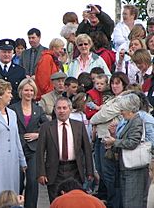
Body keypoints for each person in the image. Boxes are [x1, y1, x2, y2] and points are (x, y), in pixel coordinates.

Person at [36, 96, 93, 203]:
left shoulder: (79, 126)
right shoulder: (46, 127)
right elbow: (40, 151)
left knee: (75, 202)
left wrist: (90, 171)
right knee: (56, 201)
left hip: (75, 169)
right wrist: (41, 173)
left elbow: (87, 150)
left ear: (70, 109)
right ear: (55, 110)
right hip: (55, 171)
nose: (61, 111)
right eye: (59, 108)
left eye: (64, 108)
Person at [90, 72, 130, 208]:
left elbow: (104, 115)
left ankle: (115, 203)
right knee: (102, 172)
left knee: (109, 174)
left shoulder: (124, 98)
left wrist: (93, 119)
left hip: (110, 138)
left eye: (117, 83)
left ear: (124, 84)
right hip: (101, 137)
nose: (114, 86)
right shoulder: (112, 98)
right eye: (112, 83)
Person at [104, 93, 149, 208]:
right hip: (127, 166)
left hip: (134, 169)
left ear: (130, 109)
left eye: (122, 109)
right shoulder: (130, 121)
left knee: (132, 202)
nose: (121, 112)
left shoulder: (137, 121)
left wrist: (114, 142)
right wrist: (114, 136)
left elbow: (133, 142)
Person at [9, 78, 48, 208]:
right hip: (16, 149)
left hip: (33, 151)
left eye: (31, 90)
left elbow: (47, 127)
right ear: (21, 91)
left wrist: (37, 134)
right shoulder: (12, 108)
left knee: (32, 182)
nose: (29, 93)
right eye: (26, 90)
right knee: (17, 182)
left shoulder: (39, 109)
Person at [0, 39, 26, 104]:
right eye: (4, 52)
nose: (6, 55)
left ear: (13, 53)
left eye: (9, 52)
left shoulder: (20, 71)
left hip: (13, 108)